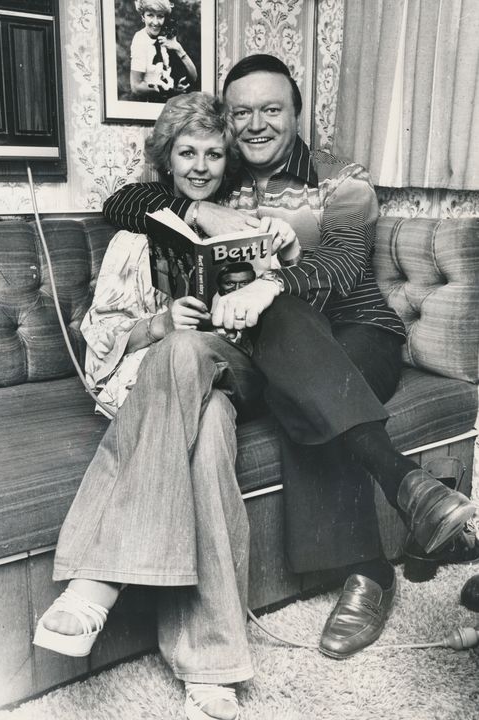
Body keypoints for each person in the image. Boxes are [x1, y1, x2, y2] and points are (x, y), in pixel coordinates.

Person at [103, 54, 476, 661]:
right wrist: (198, 209)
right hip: (268, 348)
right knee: (289, 367)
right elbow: (121, 202)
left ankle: (367, 573)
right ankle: (413, 493)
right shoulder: (217, 175)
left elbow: (344, 266)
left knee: (298, 367)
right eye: (241, 111)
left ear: (297, 114)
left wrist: (271, 284)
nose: (255, 124)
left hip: (359, 334)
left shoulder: (343, 179)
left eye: (271, 110)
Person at [34, 91, 299, 720]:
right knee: (204, 432)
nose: (202, 165)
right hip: (166, 383)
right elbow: (101, 340)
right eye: (188, 152)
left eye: (214, 153)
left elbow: (289, 309)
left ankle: (96, 582)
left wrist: (265, 275)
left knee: (192, 357)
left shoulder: (249, 223)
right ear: (168, 160)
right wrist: (158, 323)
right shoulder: (135, 236)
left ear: (227, 161)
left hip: (238, 372)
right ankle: (211, 670)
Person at [130, 0, 197, 101]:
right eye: (150, 15)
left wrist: (178, 48)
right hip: (150, 104)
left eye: (160, 16)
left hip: (170, 102)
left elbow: (194, 77)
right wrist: (172, 91)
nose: (156, 22)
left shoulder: (165, 38)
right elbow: (136, 87)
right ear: (143, 17)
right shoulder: (140, 40)